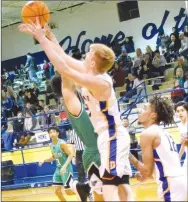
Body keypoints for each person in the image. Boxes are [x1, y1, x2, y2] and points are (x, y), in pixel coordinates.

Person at [19, 19, 133, 201]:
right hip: (104, 138)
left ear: (94, 62)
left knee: (110, 188)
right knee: (119, 186)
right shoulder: (91, 74)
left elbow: (64, 68)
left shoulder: (100, 81)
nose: (86, 54)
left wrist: (41, 39)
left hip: (112, 135)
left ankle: (78, 186)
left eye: (89, 53)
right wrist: (50, 37)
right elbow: (64, 59)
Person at [51, 75, 103, 201]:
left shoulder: (79, 96)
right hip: (94, 155)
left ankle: (81, 187)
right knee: (101, 195)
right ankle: (80, 186)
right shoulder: (70, 100)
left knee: (109, 191)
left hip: (98, 150)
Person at [129, 95, 187, 201]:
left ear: (153, 115)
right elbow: (153, 170)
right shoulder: (164, 132)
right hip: (179, 180)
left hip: (170, 184)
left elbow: (147, 171)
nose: (140, 111)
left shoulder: (147, 134)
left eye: (145, 108)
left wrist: (128, 155)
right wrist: (145, 176)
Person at [38, 127, 86, 201]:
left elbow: (70, 155)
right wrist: (44, 160)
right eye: (50, 132)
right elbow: (54, 157)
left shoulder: (62, 143)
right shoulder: (51, 145)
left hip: (66, 168)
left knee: (68, 192)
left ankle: (83, 190)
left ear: (58, 133)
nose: (52, 134)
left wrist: (64, 166)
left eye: (54, 132)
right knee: (57, 191)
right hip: (58, 169)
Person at [174, 101, 188, 176]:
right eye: (178, 111)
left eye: (182, 110)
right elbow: (183, 145)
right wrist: (178, 157)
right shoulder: (180, 126)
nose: (180, 113)